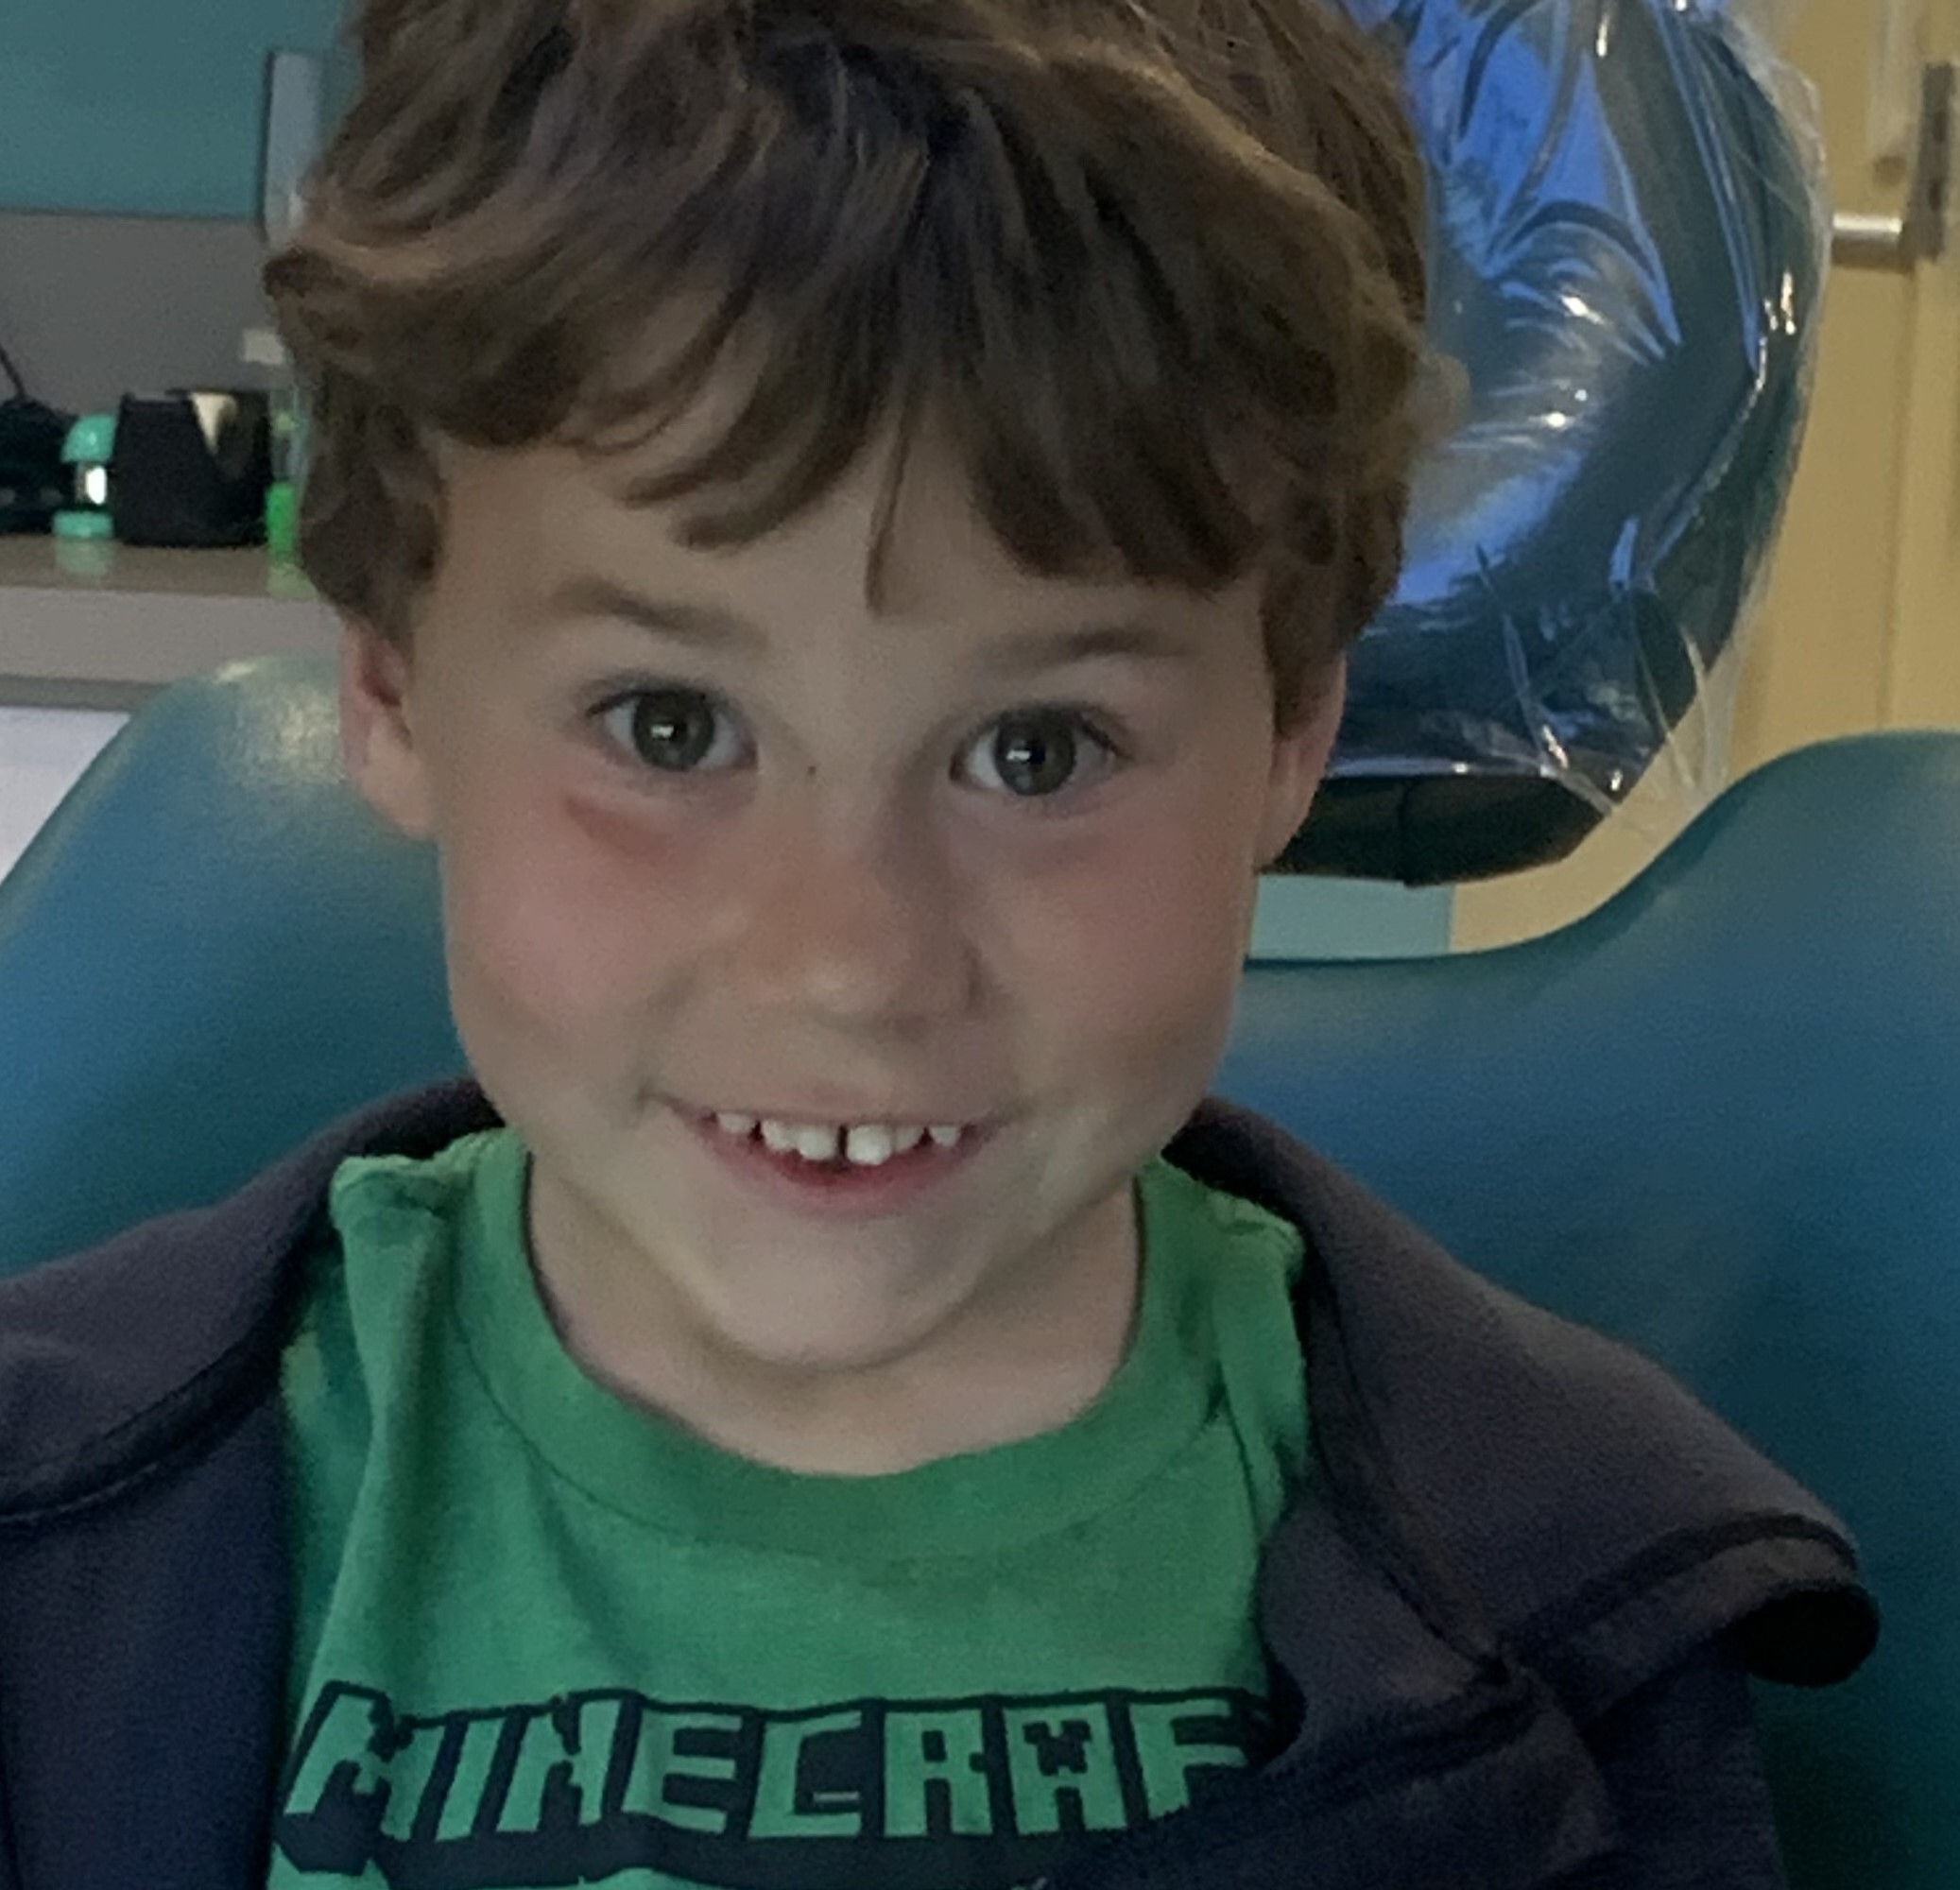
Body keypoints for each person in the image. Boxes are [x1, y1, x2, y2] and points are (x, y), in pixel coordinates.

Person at [0, 1, 1877, 1885]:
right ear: (394, 683)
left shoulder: (1593, 1621)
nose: (850, 962)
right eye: (669, 725)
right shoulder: (60, 1561)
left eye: (1035, 749)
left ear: (1291, 725)